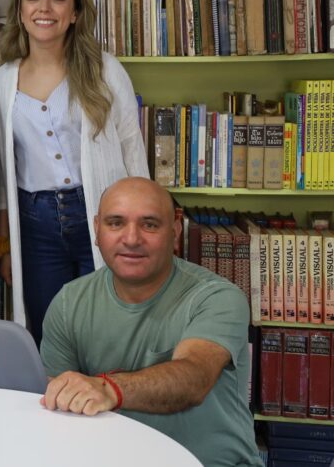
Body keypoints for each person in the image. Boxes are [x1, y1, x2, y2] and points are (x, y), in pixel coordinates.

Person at [40, 177, 261, 467]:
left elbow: (193, 379)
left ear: (175, 232)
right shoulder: (68, 303)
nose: (131, 239)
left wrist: (108, 389)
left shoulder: (218, 298)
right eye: (115, 223)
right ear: (97, 231)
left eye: (150, 225)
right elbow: (61, 407)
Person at [0, 0, 148, 345]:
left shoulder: (105, 71)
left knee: (110, 325)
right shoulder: (1, 82)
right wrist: (7, 245)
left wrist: (142, 225)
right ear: (21, 12)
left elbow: (132, 147)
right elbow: (0, 170)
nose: (44, 8)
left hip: (101, 216)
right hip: (35, 224)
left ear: (74, 13)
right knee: (51, 331)